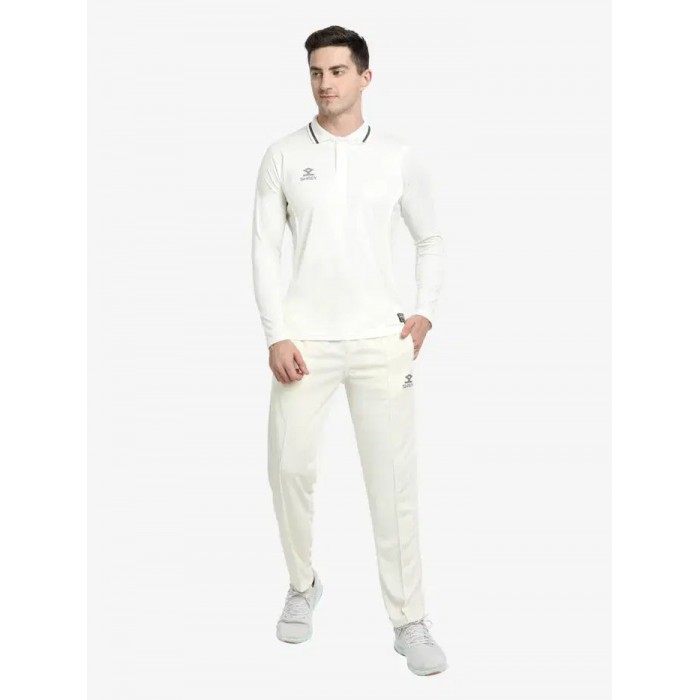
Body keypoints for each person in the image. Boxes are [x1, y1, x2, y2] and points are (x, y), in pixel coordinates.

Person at [251, 25, 447, 676]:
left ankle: (409, 619)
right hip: (303, 343)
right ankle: (302, 584)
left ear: (365, 77)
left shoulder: (396, 156)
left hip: (380, 343)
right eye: (316, 71)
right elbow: (264, 249)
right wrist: (276, 333)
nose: (325, 83)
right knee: (289, 470)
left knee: (393, 484)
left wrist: (424, 312)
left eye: (337, 71)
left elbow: (430, 238)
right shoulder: (283, 155)